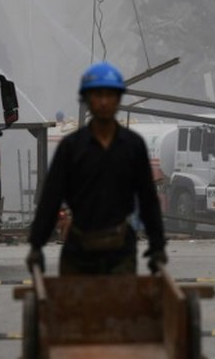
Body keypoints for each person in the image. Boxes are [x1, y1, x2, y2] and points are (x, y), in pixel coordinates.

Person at [26, 62, 167, 276]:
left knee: (120, 305)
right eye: (96, 95)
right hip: (78, 248)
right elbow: (51, 198)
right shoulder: (70, 147)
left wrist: (157, 245)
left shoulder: (133, 146)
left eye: (109, 95)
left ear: (118, 99)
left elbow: (148, 199)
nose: (103, 102)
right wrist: (37, 244)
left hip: (120, 247)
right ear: (86, 99)